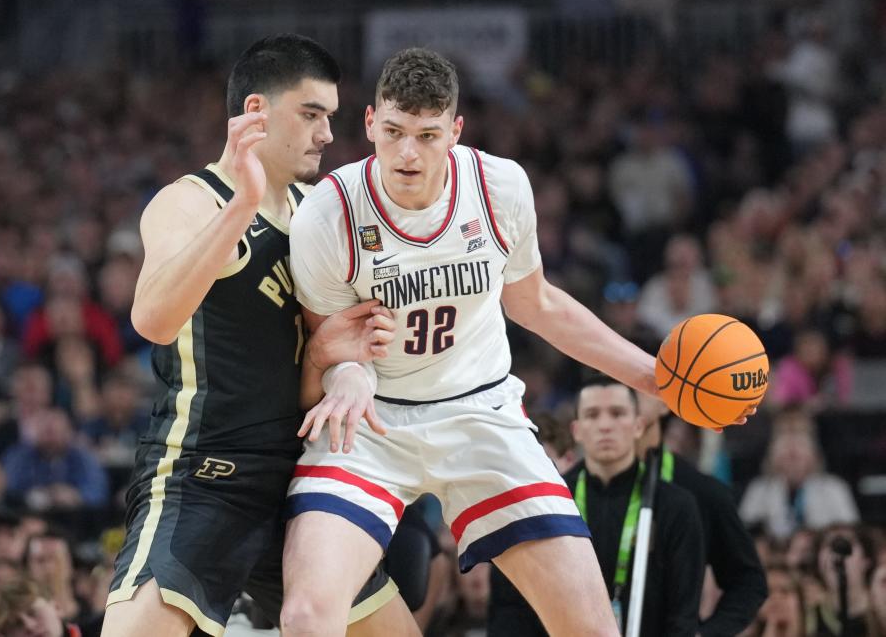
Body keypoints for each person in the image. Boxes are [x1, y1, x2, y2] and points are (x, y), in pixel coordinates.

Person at [283, 47, 675, 637]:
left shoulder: (500, 187)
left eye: (427, 135)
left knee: (593, 628)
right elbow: (331, 343)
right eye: (392, 132)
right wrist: (350, 375)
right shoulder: (327, 213)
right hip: (372, 424)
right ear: (369, 123)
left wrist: (653, 375)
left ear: (455, 131)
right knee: (308, 616)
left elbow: (536, 303)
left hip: (481, 412)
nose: (407, 153)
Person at [101, 34, 414, 637]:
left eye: (331, 117)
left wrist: (333, 360)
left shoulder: (321, 210)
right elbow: (153, 321)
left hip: (302, 475)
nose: (327, 133)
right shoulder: (189, 201)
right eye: (312, 114)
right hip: (206, 475)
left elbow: (314, 367)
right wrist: (243, 204)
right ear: (255, 114)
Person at [488, 374, 705, 636]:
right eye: (592, 415)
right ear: (576, 430)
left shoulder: (676, 506)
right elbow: (511, 606)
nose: (605, 425)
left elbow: (683, 614)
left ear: (638, 426)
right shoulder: (543, 503)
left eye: (617, 413)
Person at [635, 392, 767, 636]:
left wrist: (706, 633)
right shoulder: (570, 486)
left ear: (664, 404)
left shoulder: (701, 492)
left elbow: (748, 581)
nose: (620, 397)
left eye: (633, 388)